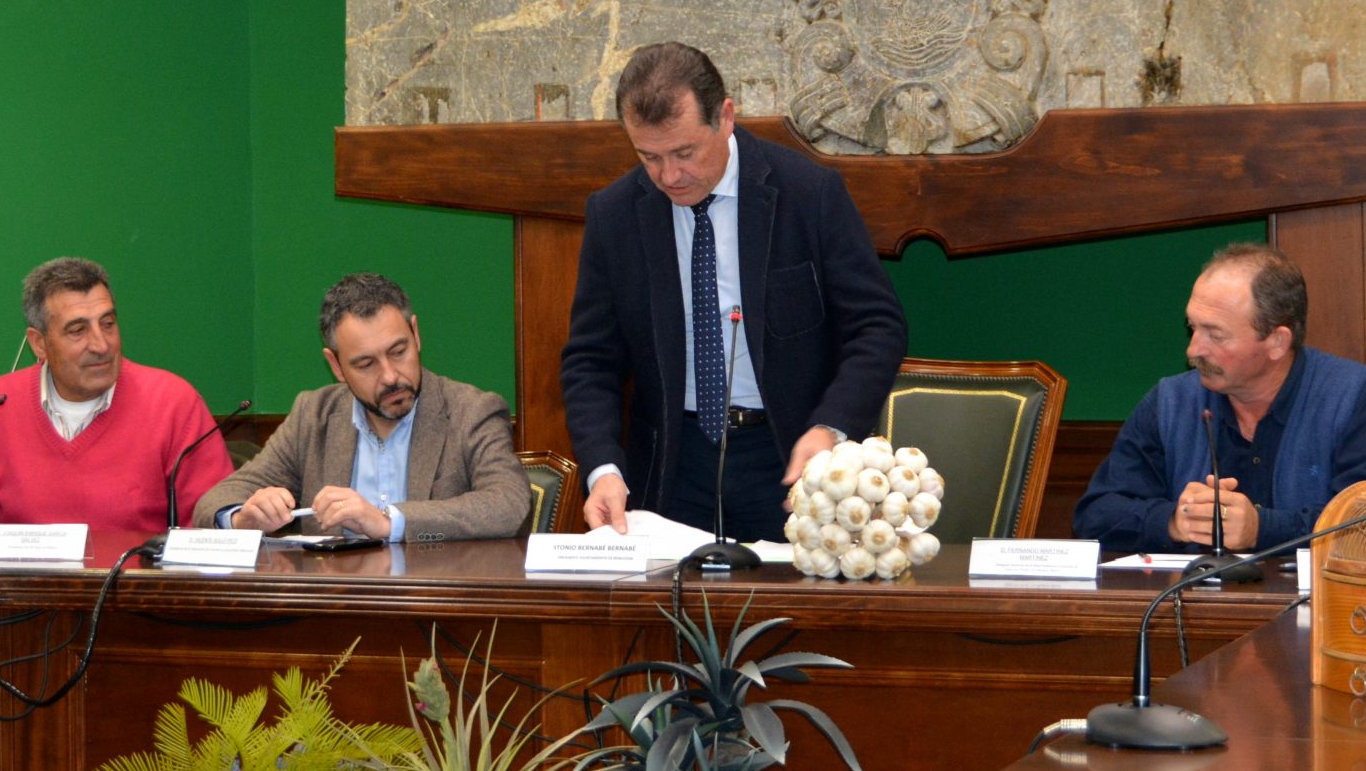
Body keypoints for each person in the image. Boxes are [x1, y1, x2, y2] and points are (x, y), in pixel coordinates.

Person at [561, 41, 907, 543]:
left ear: (725, 117)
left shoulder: (807, 193)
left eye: (684, 153)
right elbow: (590, 360)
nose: (669, 176)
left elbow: (877, 327)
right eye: (648, 157)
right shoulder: (615, 215)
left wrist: (830, 429)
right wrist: (603, 470)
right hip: (672, 466)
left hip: (791, 458)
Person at [1072, 241, 1366, 555]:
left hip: (1315, 601)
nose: (1193, 350)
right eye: (1193, 328)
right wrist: (1175, 521)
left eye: (1215, 335)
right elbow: (1095, 515)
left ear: (1277, 342)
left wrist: (1263, 529)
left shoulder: (1354, 399)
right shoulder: (1170, 403)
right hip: (1188, 599)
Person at [193, 273, 528, 541]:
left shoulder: (472, 411)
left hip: (435, 598)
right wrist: (243, 519)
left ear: (415, 334)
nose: (390, 376)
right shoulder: (313, 416)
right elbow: (214, 502)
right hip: (335, 600)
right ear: (336, 366)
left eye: (398, 351)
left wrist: (389, 521)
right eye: (366, 364)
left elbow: (508, 504)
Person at [0, 256, 234, 540]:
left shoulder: (173, 403)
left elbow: (212, 535)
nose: (101, 345)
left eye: (108, 323)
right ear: (39, 343)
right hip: (21, 571)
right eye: (78, 331)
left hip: (137, 571)